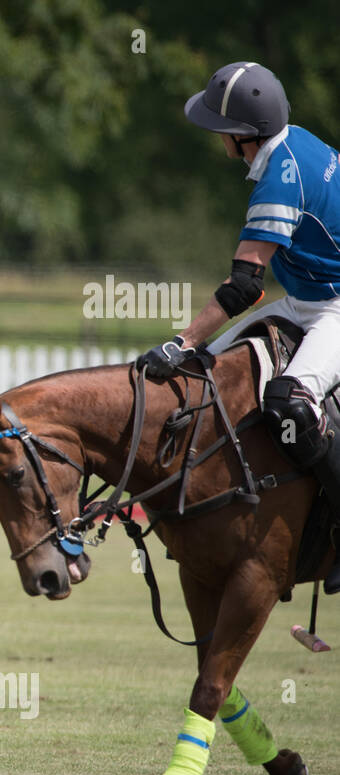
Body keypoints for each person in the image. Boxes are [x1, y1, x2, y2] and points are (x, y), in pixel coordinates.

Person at [136, 61, 340, 593]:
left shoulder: (280, 177)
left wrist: (180, 340)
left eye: (218, 128)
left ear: (241, 134)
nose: (216, 137)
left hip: (337, 307)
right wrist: (191, 351)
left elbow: (244, 287)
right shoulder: (294, 142)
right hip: (306, 299)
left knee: (291, 402)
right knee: (207, 374)